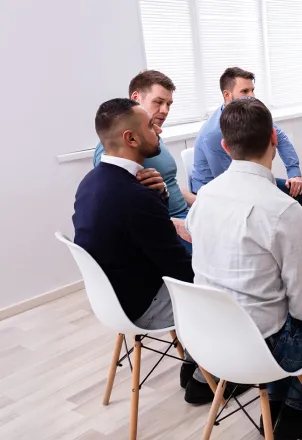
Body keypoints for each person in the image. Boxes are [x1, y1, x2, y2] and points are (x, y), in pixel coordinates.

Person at [186, 98, 302, 439]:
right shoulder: (283, 210)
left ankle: (278, 406)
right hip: (262, 350)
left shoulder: (204, 197)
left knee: (277, 309)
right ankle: (295, 413)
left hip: (208, 340)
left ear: (224, 146)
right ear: (274, 141)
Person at [76, 99, 240, 405]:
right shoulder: (135, 197)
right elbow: (182, 272)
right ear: (131, 139)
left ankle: (194, 364)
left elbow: (141, 235)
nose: (159, 131)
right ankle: (207, 379)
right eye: (151, 125)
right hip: (141, 306)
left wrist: (160, 197)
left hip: (111, 300)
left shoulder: (91, 182)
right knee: (227, 287)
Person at [92, 70, 195, 253]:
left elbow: (169, 183)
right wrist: (173, 224)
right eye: (158, 102)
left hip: (184, 215)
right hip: (166, 225)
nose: (165, 110)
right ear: (136, 97)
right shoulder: (116, 146)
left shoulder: (152, 137)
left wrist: (201, 203)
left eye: (169, 104)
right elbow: (120, 209)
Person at [190, 67, 302, 207]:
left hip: (242, 179)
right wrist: (263, 185)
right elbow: (227, 182)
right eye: (245, 91)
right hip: (214, 194)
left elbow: (280, 138)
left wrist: (293, 173)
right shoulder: (213, 134)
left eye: (252, 90)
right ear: (227, 95)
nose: (252, 95)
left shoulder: (250, 113)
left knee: (299, 192)